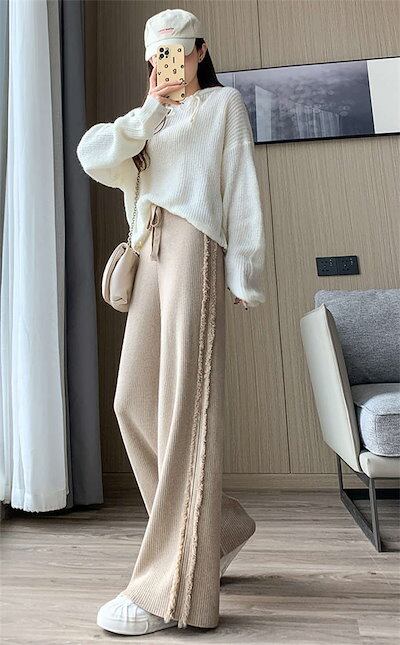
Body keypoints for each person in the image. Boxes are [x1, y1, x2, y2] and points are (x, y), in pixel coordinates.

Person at [76, 7, 266, 637]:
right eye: (158, 52)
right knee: (132, 402)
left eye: (179, 49)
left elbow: (241, 186)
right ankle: (218, 527)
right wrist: (149, 111)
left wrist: (245, 271)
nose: (169, 62)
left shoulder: (223, 105)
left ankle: (169, 590)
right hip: (150, 250)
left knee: (184, 409)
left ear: (200, 51)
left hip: (194, 249)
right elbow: (94, 156)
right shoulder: (147, 119)